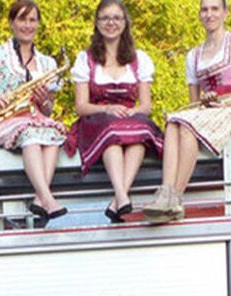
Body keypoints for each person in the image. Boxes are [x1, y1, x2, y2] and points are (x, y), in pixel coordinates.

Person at [142, 0, 231, 223]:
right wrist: (208, 101)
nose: (209, 14)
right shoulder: (193, 56)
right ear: (199, 15)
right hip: (207, 113)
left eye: (215, 9)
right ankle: (166, 192)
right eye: (205, 9)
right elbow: (194, 103)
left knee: (186, 127)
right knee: (174, 122)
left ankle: (175, 197)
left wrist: (227, 102)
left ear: (225, 13)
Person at [65, 0, 163, 223]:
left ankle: (119, 199)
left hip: (129, 119)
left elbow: (146, 106)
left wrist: (132, 112)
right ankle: (121, 194)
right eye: (105, 18)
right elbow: (81, 107)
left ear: (125, 23)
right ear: (97, 24)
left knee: (139, 137)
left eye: (117, 18)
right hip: (97, 119)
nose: (111, 23)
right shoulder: (86, 59)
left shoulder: (139, 59)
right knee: (112, 134)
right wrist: (107, 108)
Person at [0, 0, 68, 224]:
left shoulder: (47, 63)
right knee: (32, 137)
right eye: (22, 19)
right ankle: (47, 198)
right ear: (12, 23)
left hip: (34, 119)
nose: (27, 25)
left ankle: (39, 198)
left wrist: (45, 102)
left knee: (54, 136)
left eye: (32, 20)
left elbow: (48, 109)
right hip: (4, 120)